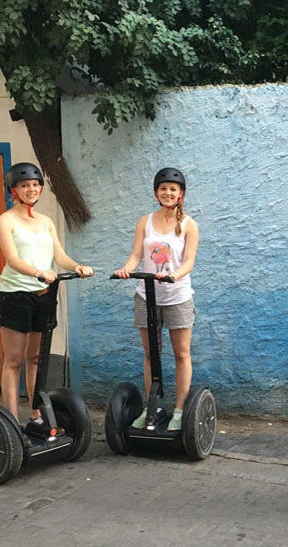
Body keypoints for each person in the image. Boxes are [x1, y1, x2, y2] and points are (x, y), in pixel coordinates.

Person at [0, 162, 92, 426]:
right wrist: (39, 272)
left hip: (44, 295)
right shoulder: (5, 221)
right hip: (15, 295)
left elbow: (58, 255)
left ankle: (36, 414)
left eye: (35, 185)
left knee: (36, 357)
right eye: (25, 185)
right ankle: (12, 423)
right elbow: (13, 259)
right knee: (14, 360)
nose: (31, 189)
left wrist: (76, 266)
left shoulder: (46, 221)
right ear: (13, 190)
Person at [113, 167, 199, 431]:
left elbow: (189, 263)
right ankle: (153, 407)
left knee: (181, 354)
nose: (168, 193)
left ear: (181, 194)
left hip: (177, 296)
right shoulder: (145, 222)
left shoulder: (189, 225)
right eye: (163, 188)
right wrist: (126, 268)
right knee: (151, 354)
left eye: (173, 189)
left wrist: (174, 275)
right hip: (146, 295)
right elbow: (136, 255)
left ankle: (179, 410)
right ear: (156, 193)